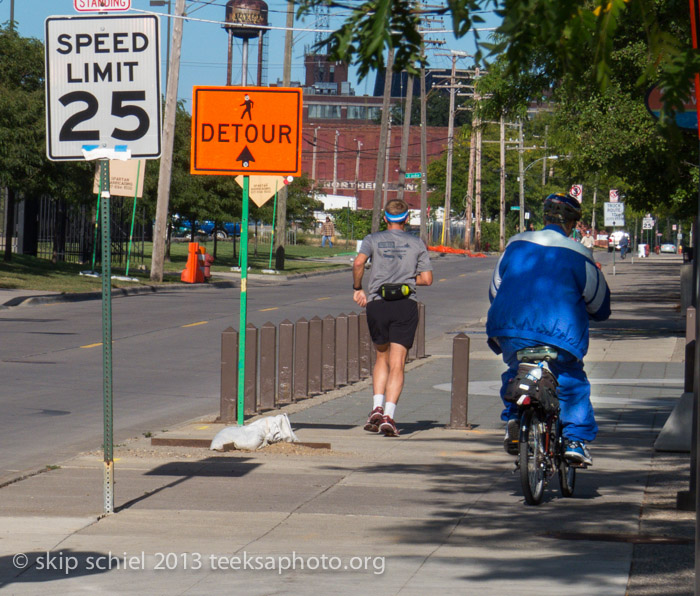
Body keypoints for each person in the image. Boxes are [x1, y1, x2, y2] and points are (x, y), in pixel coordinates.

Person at [486, 192, 611, 465]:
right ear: (572, 224)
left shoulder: (515, 245)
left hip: (510, 328)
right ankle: (575, 440)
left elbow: (495, 290)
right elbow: (600, 305)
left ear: (544, 217)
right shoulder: (580, 254)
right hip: (560, 333)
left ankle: (515, 418)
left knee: (517, 370)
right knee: (570, 382)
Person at [353, 199, 433, 436]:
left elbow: (359, 262)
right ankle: (389, 415)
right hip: (404, 305)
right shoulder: (417, 243)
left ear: (385, 218)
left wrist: (358, 287)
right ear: (407, 219)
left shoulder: (372, 240)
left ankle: (375, 408)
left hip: (378, 304)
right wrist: (408, 280)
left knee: (381, 357)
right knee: (398, 362)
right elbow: (427, 279)